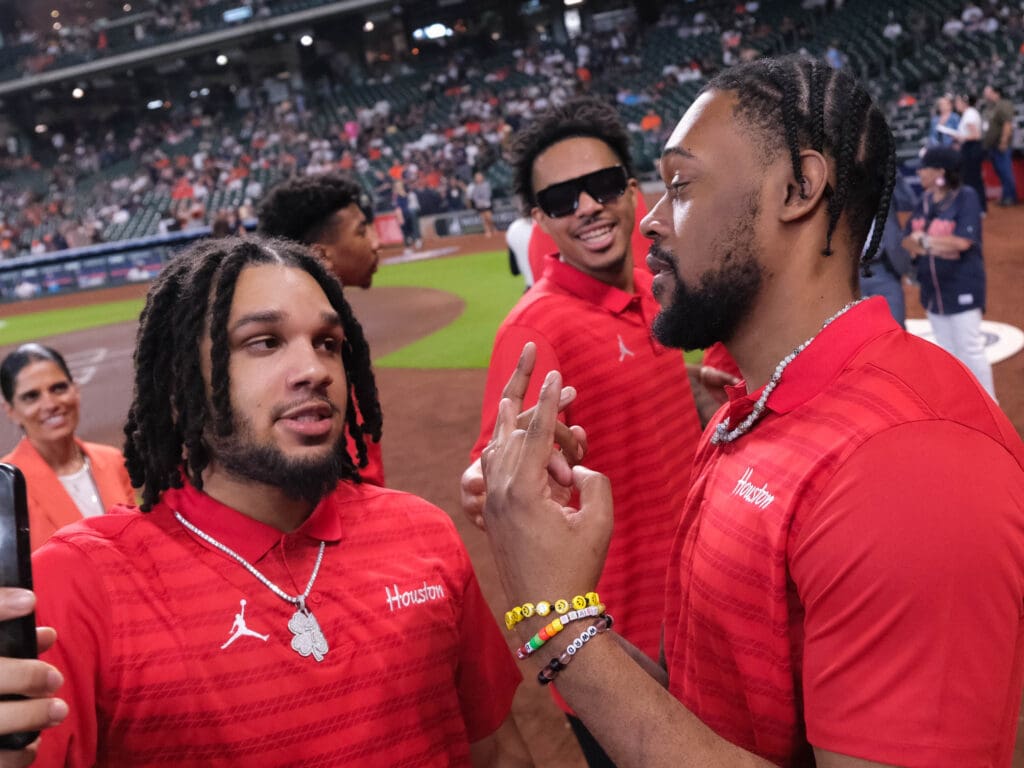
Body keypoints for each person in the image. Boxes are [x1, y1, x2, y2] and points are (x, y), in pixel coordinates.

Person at [478, 55, 1024, 767]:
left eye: (680, 186)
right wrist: (568, 615)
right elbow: (712, 713)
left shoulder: (912, 463)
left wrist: (559, 624)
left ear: (798, 188)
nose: (651, 221)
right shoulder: (749, 411)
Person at [3, 236, 529, 767]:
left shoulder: (423, 532)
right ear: (179, 382)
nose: (315, 369)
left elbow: (499, 752)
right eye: (264, 342)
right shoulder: (76, 585)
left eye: (327, 342)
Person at [461, 96, 733, 768]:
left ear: (633, 191)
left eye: (603, 185)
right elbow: (491, 477)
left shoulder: (655, 288)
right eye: (561, 198)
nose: (586, 207)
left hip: (699, 617)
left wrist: (697, 398)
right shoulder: (536, 329)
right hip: (617, 651)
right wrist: (487, 479)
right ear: (540, 220)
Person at [257, 172, 386, 486]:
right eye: (361, 231)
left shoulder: (281, 333)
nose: (376, 242)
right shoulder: (315, 347)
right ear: (320, 255)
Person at [1, 344, 134, 552]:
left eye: (58, 388)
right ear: (11, 411)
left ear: (75, 390)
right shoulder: (5, 484)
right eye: (31, 396)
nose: (50, 404)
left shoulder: (113, 460)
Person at [902, 146, 995, 399]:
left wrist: (925, 242)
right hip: (932, 291)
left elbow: (962, 242)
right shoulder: (923, 201)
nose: (919, 172)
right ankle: (963, 406)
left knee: (970, 349)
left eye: (924, 168)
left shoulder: (966, 197)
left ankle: (990, 405)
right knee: (948, 353)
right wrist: (937, 245)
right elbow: (907, 241)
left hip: (962, 286)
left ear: (940, 172)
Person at [858, 172, 917, 326]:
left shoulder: (882, 191)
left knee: (894, 328)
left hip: (883, 269)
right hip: (850, 274)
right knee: (860, 332)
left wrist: (891, 169)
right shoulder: (837, 196)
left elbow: (909, 202)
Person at [982, 84, 1018, 206]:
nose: (986, 95)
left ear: (996, 93)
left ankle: (1011, 197)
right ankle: (1005, 195)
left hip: (1001, 144)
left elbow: (1007, 123)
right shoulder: (990, 107)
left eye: (988, 92)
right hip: (992, 145)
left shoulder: (1004, 104)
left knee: (1005, 170)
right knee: (1000, 171)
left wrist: (1004, 141)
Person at [955, 92, 987, 213]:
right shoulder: (969, 114)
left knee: (973, 179)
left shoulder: (970, 114)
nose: (956, 104)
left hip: (971, 149)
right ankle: (978, 207)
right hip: (970, 148)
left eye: (958, 102)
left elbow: (976, 135)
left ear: (964, 103)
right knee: (972, 178)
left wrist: (960, 137)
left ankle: (979, 207)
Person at [468, 171, 497, 237]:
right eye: (477, 177)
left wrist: (484, 201)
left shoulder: (486, 185)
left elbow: (488, 194)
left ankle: (493, 227)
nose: (478, 178)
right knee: (483, 219)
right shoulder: (474, 187)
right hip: (479, 205)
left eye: (479, 177)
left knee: (489, 217)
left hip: (487, 204)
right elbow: (474, 196)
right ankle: (487, 231)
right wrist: (478, 202)